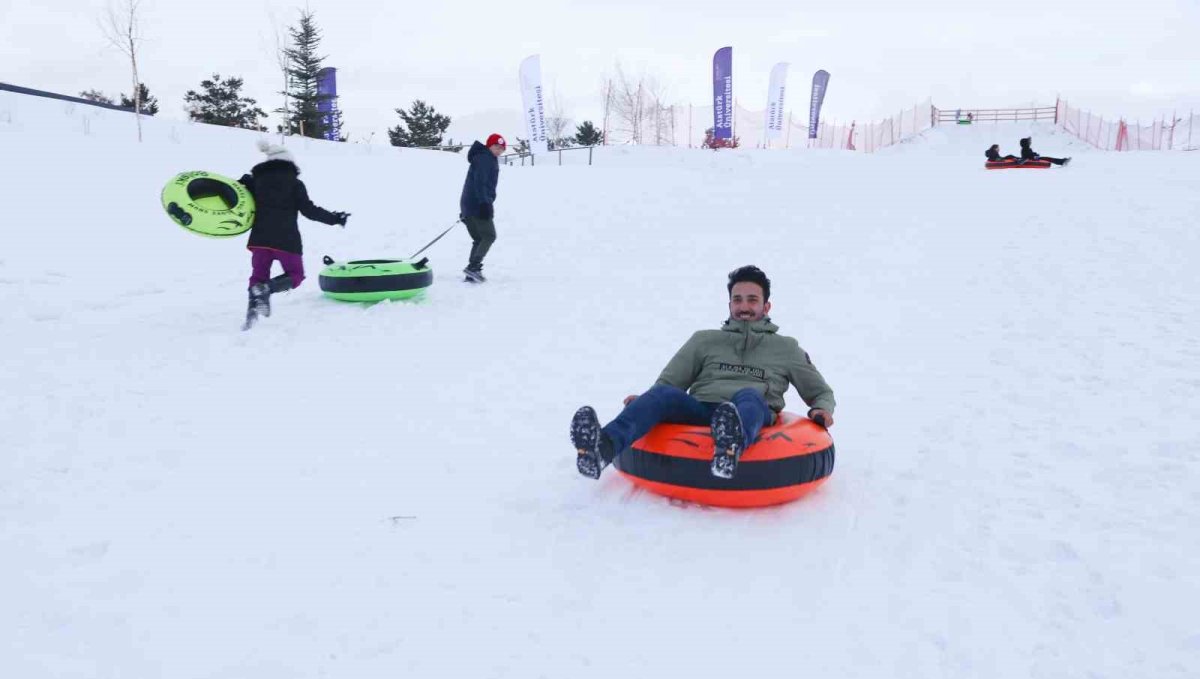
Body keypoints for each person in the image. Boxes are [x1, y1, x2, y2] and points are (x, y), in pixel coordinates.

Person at [571, 265, 836, 481]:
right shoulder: (704, 340)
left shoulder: (786, 348)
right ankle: (599, 450)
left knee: (749, 395)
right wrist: (645, 402)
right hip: (702, 410)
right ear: (730, 304)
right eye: (737, 299)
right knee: (663, 394)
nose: (744, 306)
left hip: (751, 410)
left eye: (752, 299)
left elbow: (820, 391)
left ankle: (729, 448)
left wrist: (821, 409)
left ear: (766, 306)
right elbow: (669, 383)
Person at [238, 140, 348, 329]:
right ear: (290, 164)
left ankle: (251, 318)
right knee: (296, 275)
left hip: (259, 239)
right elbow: (309, 210)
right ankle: (266, 289)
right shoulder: (295, 184)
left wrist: (244, 182)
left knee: (258, 275)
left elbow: (237, 198)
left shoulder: (254, 182)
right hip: (286, 239)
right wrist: (335, 218)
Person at [459, 133, 505, 283]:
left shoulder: (482, 157)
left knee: (479, 238)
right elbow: (481, 183)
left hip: (469, 203)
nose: (499, 151)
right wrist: (485, 203)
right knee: (489, 235)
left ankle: (471, 272)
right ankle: (473, 268)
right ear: (489, 145)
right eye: (496, 147)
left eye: (501, 149)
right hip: (478, 204)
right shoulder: (485, 159)